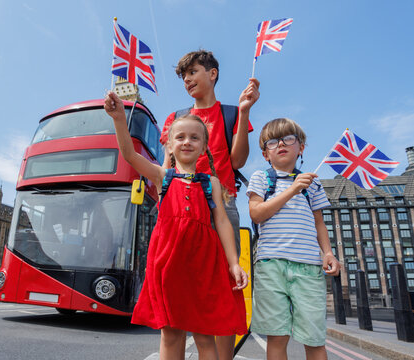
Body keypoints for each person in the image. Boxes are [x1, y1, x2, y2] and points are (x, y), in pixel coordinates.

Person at [104, 91, 248, 360]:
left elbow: (223, 223)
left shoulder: (212, 184)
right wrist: (119, 120)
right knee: (170, 334)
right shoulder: (162, 176)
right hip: (168, 265)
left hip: (205, 266)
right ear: (169, 146)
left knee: (205, 334)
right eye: (180, 137)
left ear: (205, 147)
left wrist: (234, 263)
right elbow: (129, 155)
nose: (187, 142)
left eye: (195, 137)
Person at [160, 50, 259, 358]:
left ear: (212, 74)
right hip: (181, 207)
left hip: (221, 204)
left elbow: (239, 160)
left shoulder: (230, 113)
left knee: (224, 289)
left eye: (193, 72)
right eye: (184, 76)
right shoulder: (176, 119)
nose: (188, 80)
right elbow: (166, 168)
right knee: (176, 288)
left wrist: (244, 113)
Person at [247, 118, 341, 360]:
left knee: (314, 338)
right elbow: (257, 214)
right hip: (271, 266)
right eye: (272, 141)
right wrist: (291, 189)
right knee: (277, 337)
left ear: (301, 147)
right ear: (265, 154)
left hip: (308, 267)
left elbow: (319, 223)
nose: (281, 144)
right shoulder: (261, 178)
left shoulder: (313, 183)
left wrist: (328, 253)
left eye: (289, 138)